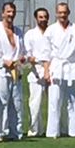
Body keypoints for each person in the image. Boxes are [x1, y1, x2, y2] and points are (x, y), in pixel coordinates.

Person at [44, 2, 75, 137]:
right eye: (60, 12)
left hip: (72, 67)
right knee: (54, 101)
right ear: (56, 13)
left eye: (64, 12)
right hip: (56, 67)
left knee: (73, 101)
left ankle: (72, 131)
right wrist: (46, 71)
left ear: (69, 13)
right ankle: (53, 132)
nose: (62, 15)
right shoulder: (51, 30)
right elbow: (46, 53)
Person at [0, 2, 25, 141]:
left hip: (16, 71)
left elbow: (22, 51)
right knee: (0, 102)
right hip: (1, 71)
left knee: (16, 103)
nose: (11, 14)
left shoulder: (18, 32)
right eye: (8, 12)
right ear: (2, 13)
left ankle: (16, 132)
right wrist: (3, 61)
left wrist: (22, 57)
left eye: (13, 12)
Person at [22, 7, 52, 137]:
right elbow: (28, 55)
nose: (43, 19)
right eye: (40, 17)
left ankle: (56, 129)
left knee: (55, 103)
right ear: (36, 18)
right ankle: (34, 130)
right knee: (34, 103)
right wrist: (34, 59)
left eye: (45, 17)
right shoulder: (30, 34)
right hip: (36, 71)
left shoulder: (52, 32)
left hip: (53, 70)